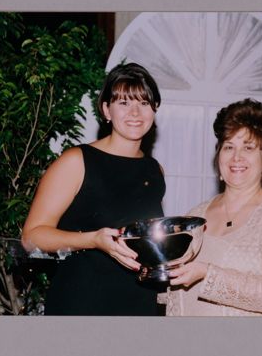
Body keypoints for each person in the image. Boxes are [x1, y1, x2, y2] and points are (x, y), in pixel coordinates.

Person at [21, 62, 166, 316]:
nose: (135, 112)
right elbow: (31, 237)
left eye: (143, 103)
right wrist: (93, 240)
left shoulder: (155, 170)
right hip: (82, 301)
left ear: (154, 110)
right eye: (123, 103)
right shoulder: (76, 161)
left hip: (140, 303)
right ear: (106, 110)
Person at [163, 98, 262, 316]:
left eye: (248, 147)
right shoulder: (195, 215)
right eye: (228, 146)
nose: (236, 157)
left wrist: (208, 274)